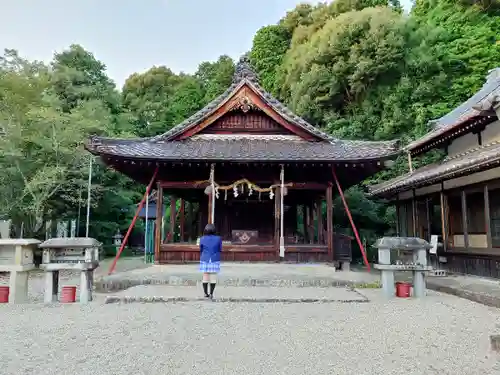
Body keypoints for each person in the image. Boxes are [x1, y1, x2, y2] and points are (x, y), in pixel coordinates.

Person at [199, 223, 222, 298]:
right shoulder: (218, 238)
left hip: (205, 258)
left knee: (205, 276)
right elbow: (220, 249)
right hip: (214, 259)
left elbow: (201, 249)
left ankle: (205, 293)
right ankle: (211, 293)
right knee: (213, 276)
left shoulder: (202, 238)